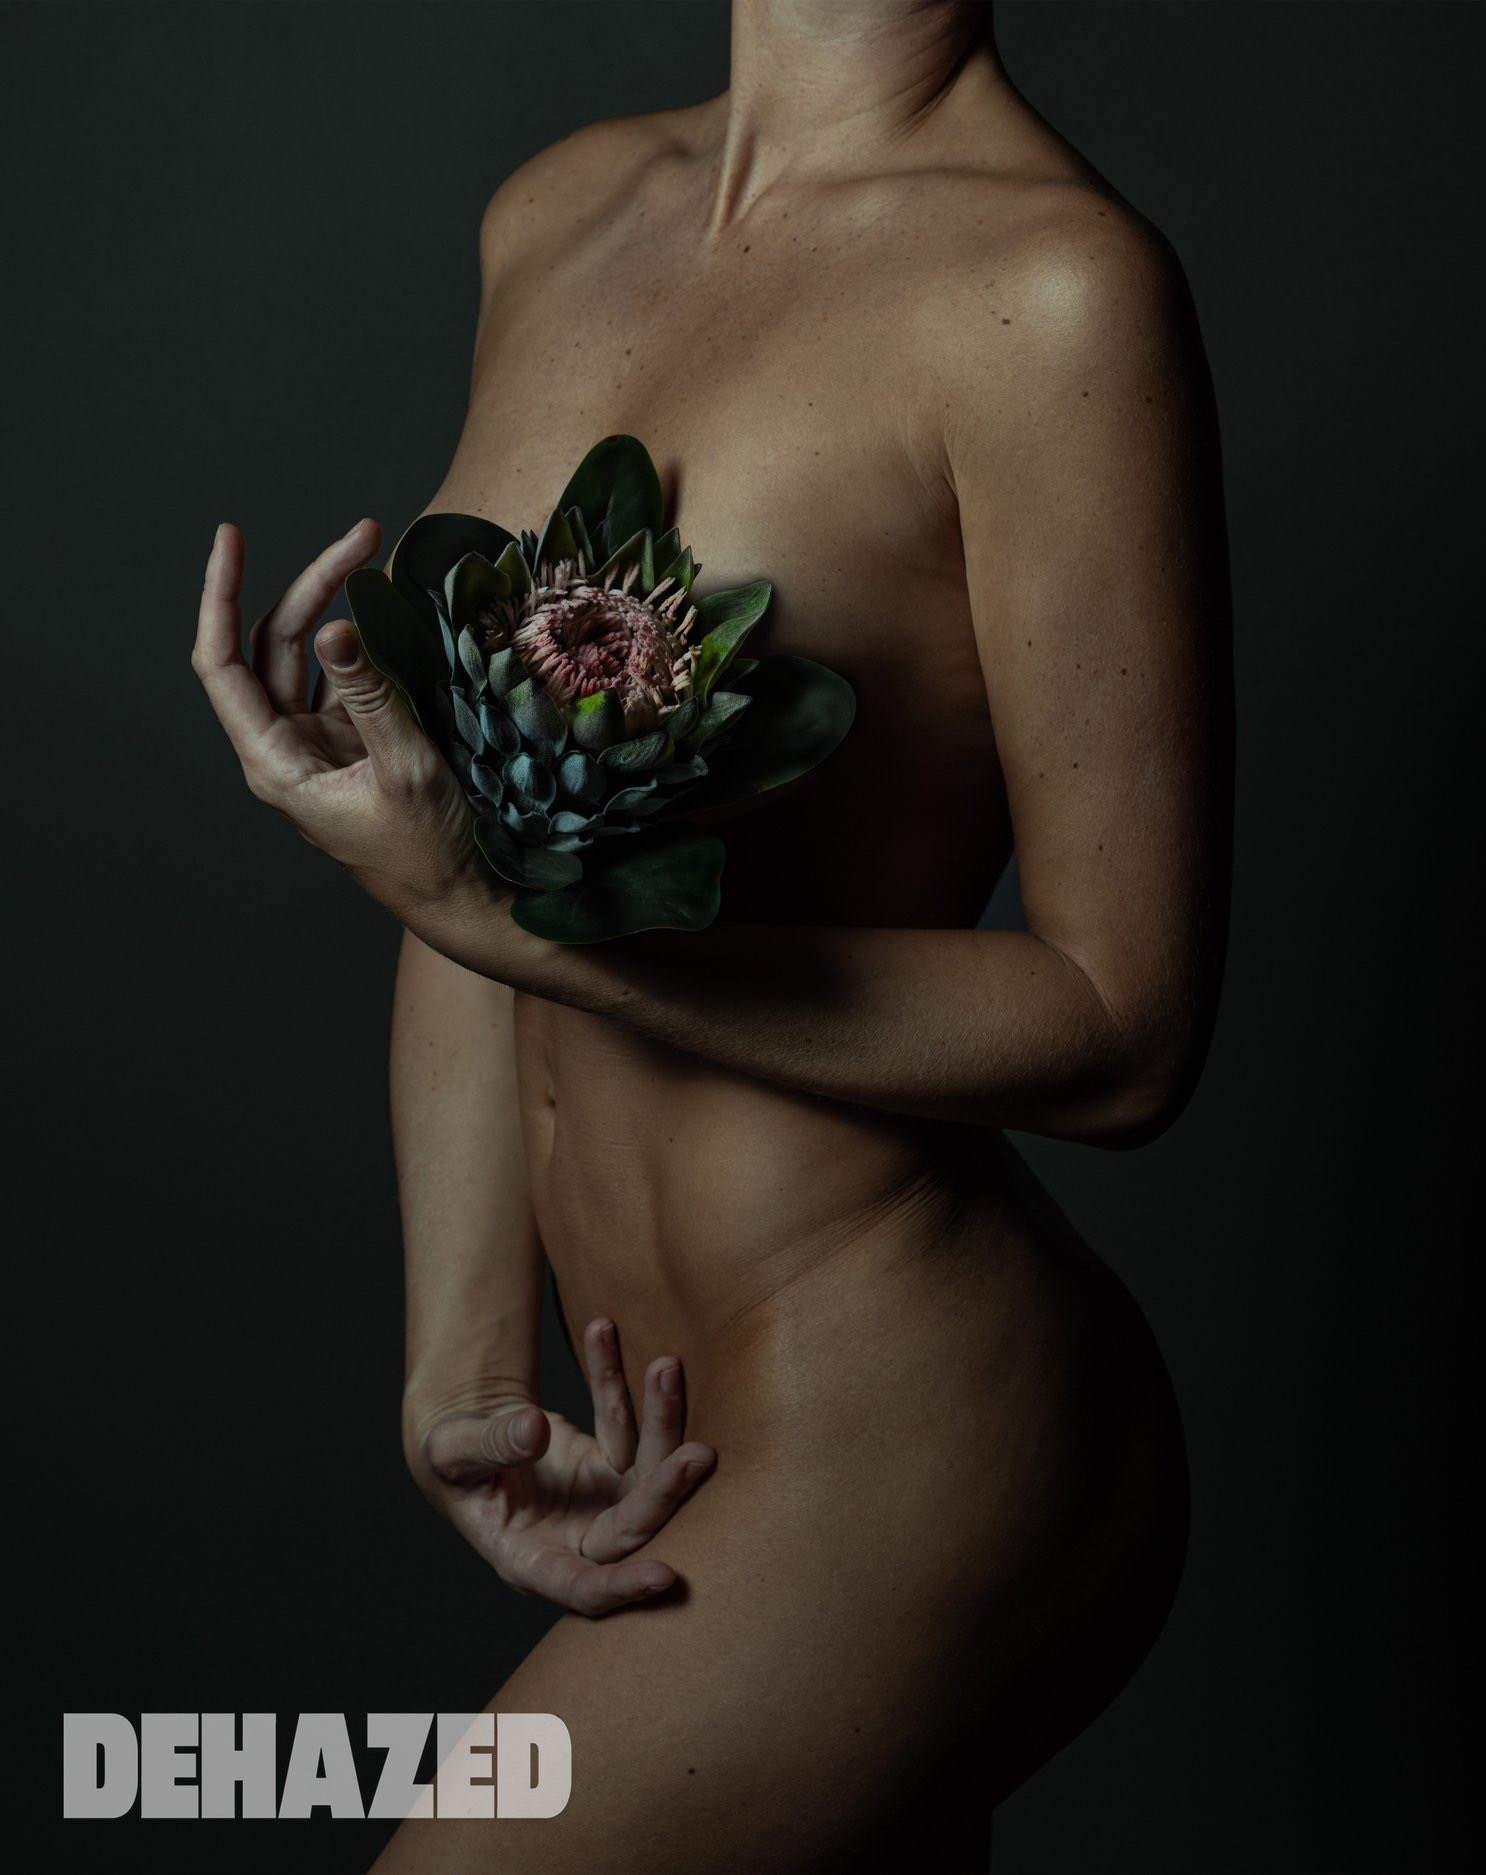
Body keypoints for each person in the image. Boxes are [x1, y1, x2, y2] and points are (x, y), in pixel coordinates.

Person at [193, 1, 1232, 1867]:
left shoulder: (1054, 290)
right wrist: (465, 1363)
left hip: (908, 1430)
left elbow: (1126, 1024)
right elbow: (464, 864)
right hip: (661, 1417)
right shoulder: (562, 210)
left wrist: (532, 932)